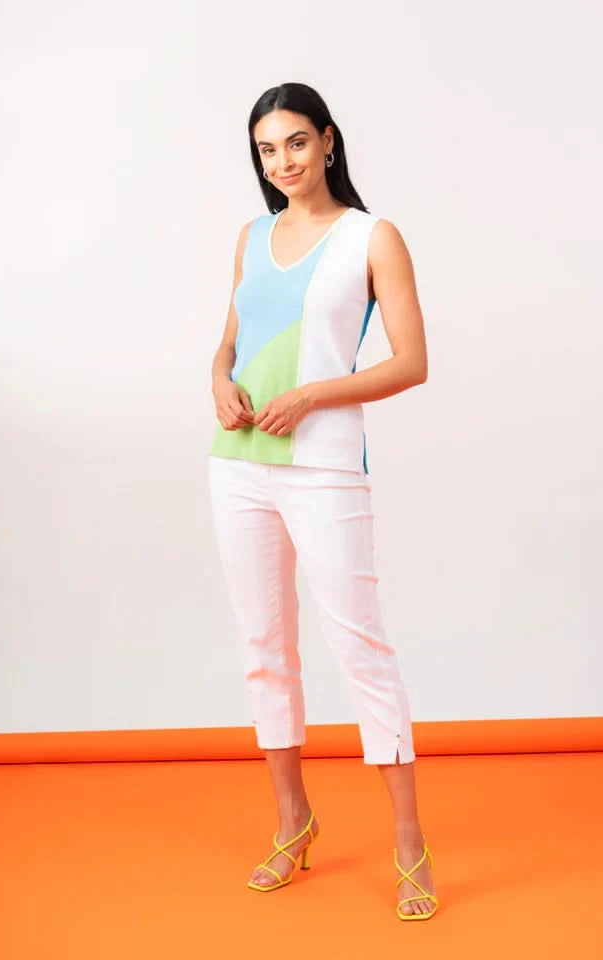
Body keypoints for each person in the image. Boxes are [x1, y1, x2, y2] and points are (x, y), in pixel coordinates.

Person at [207, 82, 438, 921]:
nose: (283, 162)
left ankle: (409, 843)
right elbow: (229, 344)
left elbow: (411, 362)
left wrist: (310, 396)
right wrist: (217, 381)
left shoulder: (373, 237)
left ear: (329, 141)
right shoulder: (252, 236)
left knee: (360, 647)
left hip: (325, 465)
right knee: (264, 646)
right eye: (267, 150)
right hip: (239, 464)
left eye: (297, 143)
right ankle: (292, 820)